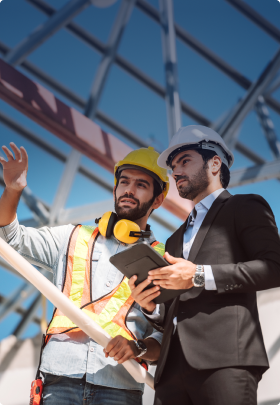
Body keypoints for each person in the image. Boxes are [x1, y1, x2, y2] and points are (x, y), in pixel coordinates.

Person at [0, 143, 169, 405]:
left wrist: (138, 348)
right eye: (124, 182)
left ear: (158, 199)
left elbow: (166, 336)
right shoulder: (72, 236)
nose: (129, 190)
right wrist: (12, 190)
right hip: (59, 377)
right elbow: (10, 238)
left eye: (141, 185)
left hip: (119, 386)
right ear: (115, 188)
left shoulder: (162, 261)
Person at [129, 125, 280, 405]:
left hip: (225, 360)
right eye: (174, 166)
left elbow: (274, 268)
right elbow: (173, 308)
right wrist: (149, 305)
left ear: (214, 163)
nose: (176, 172)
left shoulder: (245, 207)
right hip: (171, 371)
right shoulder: (174, 239)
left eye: (184, 161)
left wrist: (198, 275)